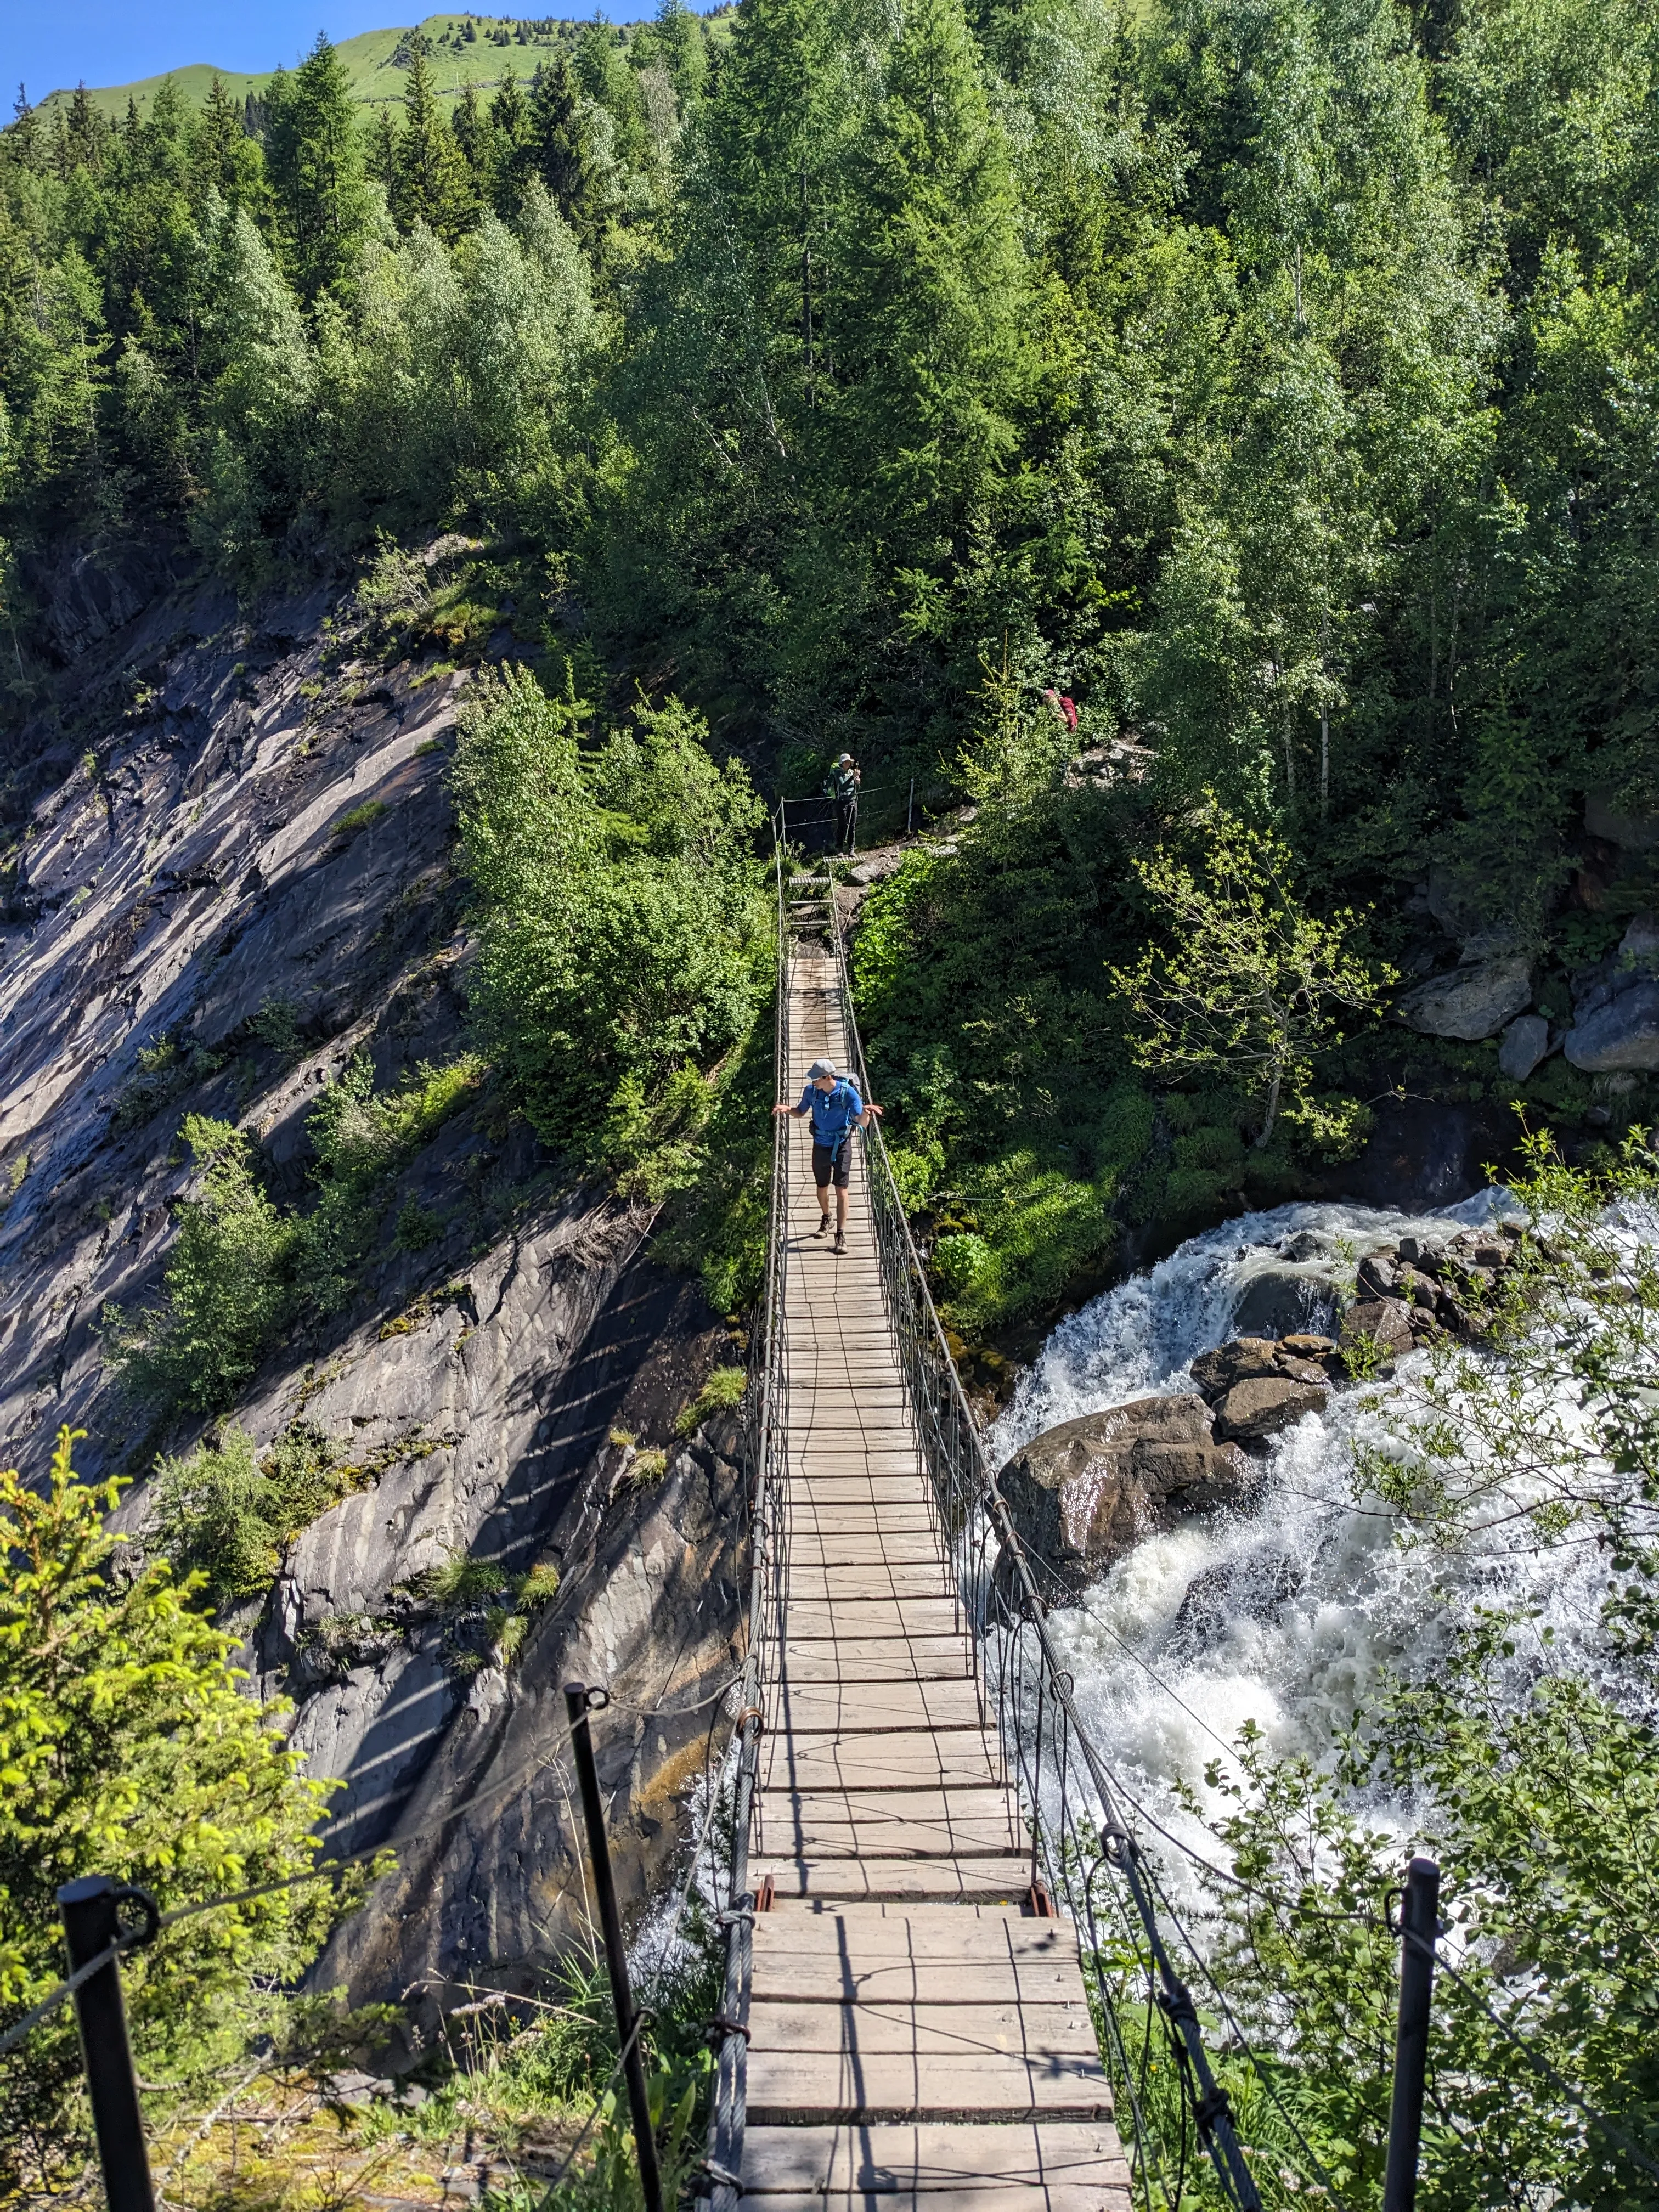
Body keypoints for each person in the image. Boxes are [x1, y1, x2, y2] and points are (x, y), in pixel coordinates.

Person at [773, 1057, 879, 1254]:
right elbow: (801, 1111)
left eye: (816, 1079)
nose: (813, 1082)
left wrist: (867, 1114)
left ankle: (840, 1234)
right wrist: (787, 1110)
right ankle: (827, 1218)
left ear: (827, 1077)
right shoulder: (811, 1091)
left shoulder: (849, 1094)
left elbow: (861, 1123)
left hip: (841, 1145)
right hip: (820, 1144)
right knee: (822, 1187)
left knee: (842, 1190)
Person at [825, 752, 860, 854]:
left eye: (849, 762)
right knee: (842, 825)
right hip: (841, 802)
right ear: (842, 763)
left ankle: (851, 848)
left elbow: (855, 786)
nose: (847, 764)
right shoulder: (838, 773)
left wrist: (857, 781)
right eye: (845, 762)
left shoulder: (851, 772)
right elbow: (843, 785)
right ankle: (840, 848)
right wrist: (852, 777)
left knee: (852, 825)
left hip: (852, 801)